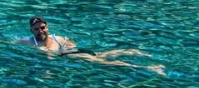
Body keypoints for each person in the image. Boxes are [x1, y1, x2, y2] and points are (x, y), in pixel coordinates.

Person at [18, 16, 164, 74]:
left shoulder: (58, 38)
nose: (40, 31)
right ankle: (142, 56)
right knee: (105, 56)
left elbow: (70, 42)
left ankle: (147, 67)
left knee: (103, 60)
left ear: (47, 27)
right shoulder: (29, 41)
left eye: (42, 27)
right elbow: (6, 43)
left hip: (76, 54)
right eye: (36, 29)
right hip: (75, 54)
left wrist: (67, 46)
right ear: (31, 30)